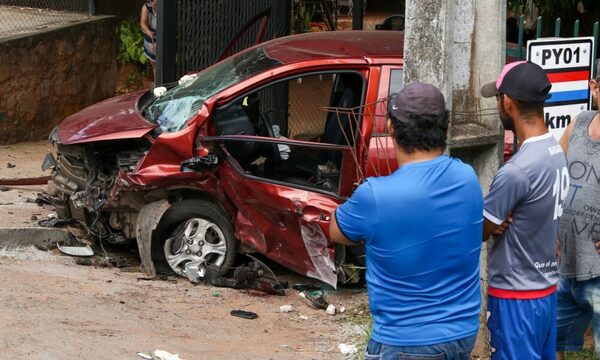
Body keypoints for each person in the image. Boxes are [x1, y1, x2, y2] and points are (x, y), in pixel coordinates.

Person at [330, 81, 483, 359]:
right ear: (446, 128)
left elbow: (337, 231)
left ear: (390, 127)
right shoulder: (467, 178)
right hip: (462, 334)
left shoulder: (374, 196)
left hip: (406, 342)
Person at [480, 61, 568, 360]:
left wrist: (487, 217)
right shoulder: (555, 152)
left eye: (497, 99)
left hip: (516, 298)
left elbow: (480, 230)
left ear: (508, 102)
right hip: (545, 291)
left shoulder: (517, 170)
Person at [555, 67, 600, 359]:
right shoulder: (579, 122)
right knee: (552, 342)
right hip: (565, 262)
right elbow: (554, 174)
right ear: (595, 88)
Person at [140, 0, 158, 83]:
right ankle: (156, 83)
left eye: (158, 4)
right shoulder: (146, 7)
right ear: (151, 2)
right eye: (155, 4)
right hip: (150, 37)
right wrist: (148, 31)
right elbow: (143, 22)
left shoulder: (163, 11)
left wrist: (158, 42)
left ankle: (159, 84)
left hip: (160, 37)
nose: (156, 7)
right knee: (153, 63)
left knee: (160, 62)